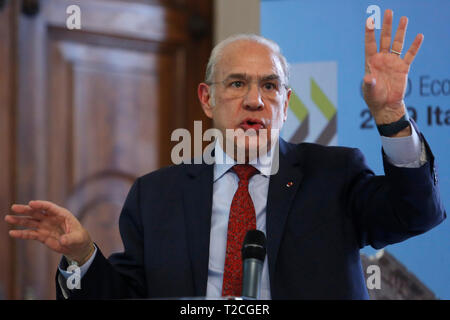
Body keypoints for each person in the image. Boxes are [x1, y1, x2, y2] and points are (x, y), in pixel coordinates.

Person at [5, 9, 446, 299]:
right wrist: (83, 255)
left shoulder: (333, 175)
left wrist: (390, 115)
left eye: (270, 86)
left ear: (287, 103)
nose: (255, 100)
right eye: (237, 84)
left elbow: (416, 213)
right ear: (207, 100)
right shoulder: (155, 196)